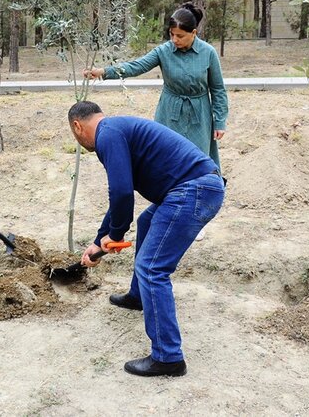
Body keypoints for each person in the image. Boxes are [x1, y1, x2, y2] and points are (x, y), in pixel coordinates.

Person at [69, 101, 225, 377]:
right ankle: (138, 296)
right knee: (147, 220)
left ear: (77, 126)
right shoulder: (116, 128)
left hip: (194, 190)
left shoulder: (107, 135)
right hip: (196, 187)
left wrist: (114, 235)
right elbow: (121, 195)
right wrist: (99, 241)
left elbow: (121, 193)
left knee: (153, 268)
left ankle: (168, 357)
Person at [84, 2, 228, 168]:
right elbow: (136, 66)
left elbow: (218, 90)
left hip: (199, 114)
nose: (174, 39)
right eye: (171, 34)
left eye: (180, 36)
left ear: (193, 33)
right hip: (169, 112)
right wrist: (104, 72)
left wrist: (219, 122)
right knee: (167, 155)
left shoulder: (208, 52)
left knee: (198, 158)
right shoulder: (164, 51)